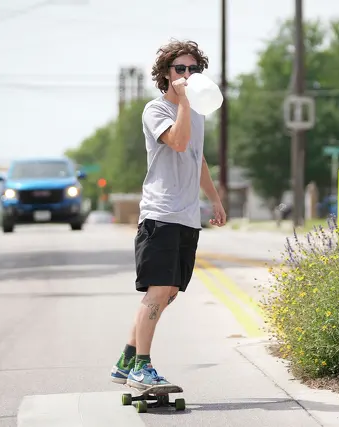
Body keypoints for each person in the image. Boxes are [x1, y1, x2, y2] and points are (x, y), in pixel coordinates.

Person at [110, 39, 227, 390]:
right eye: (181, 69)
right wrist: (185, 104)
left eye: (194, 69)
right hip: (160, 214)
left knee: (169, 291)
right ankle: (141, 368)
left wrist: (216, 201)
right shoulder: (156, 110)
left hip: (188, 216)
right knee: (158, 291)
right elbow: (177, 141)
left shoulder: (197, 116)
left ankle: (126, 360)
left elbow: (197, 157)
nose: (188, 75)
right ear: (166, 74)